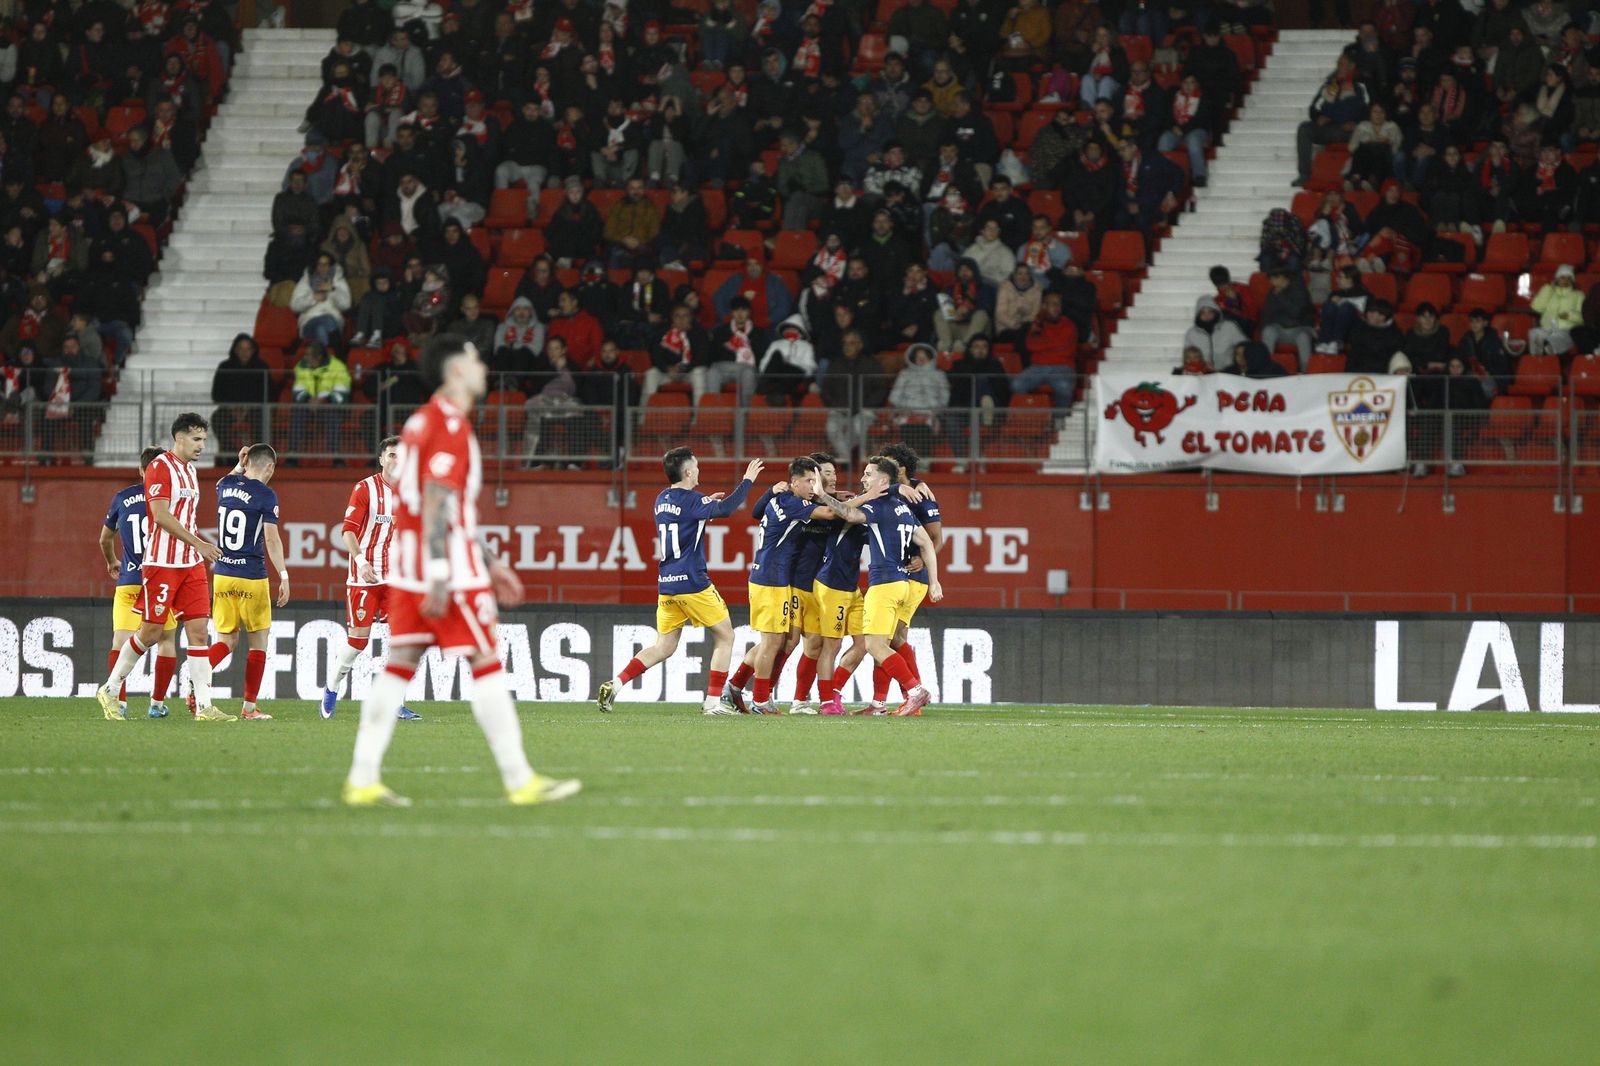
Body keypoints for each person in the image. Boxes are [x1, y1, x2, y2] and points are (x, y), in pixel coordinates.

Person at [343, 334, 581, 807]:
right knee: (487, 663)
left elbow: (441, 507)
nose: (483, 366)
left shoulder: (421, 421)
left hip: (408, 568)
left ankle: (362, 778)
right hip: (447, 570)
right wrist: (442, 571)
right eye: (474, 359)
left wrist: (491, 561)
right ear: (455, 372)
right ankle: (520, 780)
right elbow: (437, 501)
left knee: (397, 668)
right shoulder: (449, 426)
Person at [597, 453, 764, 715]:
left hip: (667, 583)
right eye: (696, 467)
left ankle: (616, 684)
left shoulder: (662, 498)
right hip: (693, 582)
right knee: (725, 636)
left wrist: (707, 503)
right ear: (687, 473)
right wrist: (747, 481)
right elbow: (728, 510)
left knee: (663, 646)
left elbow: (687, 514)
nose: (699, 471)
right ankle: (712, 703)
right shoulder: (693, 501)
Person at [96, 413, 228, 722]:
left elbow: (186, 515)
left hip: (191, 565)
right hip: (162, 563)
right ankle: (111, 688)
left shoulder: (191, 472)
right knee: (151, 633)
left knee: (199, 632)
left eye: (204, 440)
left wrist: (195, 549)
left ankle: (205, 706)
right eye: (197, 439)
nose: (201, 446)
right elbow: (160, 515)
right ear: (179, 438)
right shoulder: (159, 468)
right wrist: (199, 543)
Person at [322, 438, 418, 722]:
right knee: (357, 643)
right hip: (364, 577)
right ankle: (331, 688)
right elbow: (348, 531)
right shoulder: (365, 489)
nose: (396, 461)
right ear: (381, 459)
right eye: (391, 455)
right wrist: (361, 562)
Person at [201, 445, 289, 721]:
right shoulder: (266, 495)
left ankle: (198, 673)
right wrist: (284, 575)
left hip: (223, 575)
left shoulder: (225, 485)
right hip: (251, 576)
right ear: (270, 468)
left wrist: (239, 466)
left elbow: (222, 481)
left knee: (226, 640)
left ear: (246, 461)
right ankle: (249, 709)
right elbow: (272, 540)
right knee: (258, 643)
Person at [855, 455, 942, 717]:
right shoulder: (902, 505)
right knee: (889, 640)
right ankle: (883, 703)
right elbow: (926, 542)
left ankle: (914, 692)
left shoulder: (883, 504)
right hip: (902, 582)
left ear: (885, 478)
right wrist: (934, 581)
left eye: (868, 474)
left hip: (889, 582)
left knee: (879, 644)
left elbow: (844, 512)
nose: (863, 478)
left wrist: (823, 494)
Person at [99, 446, 181, 720]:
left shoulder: (122, 497)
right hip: (160, 580)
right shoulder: (169, 499)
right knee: (167, 639)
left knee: (120, 640)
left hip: (129, 580)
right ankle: (157, 704)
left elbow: (104, 539)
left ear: (140, 470)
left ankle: (117, 704)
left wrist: (112, 561)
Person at [1013, 291, 1078, 414]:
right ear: (1044, 306)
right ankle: (1035, 417)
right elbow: (1030, 345)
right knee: (1017, 384)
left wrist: (1043, 344)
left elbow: (1065, 348)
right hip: (1037, 367)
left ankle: (1059, 420)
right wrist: (1053, 343)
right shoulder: (1038, 323)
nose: (1056, 308)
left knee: (1064, 388)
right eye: (1051, 304)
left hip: (1062, 367)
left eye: (1058, 304)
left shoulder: (1069, 325)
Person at [1260, 269, 1316, 370]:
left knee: (1303, 337)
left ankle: (1306, 372)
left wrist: (1281, 296)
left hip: (1299, 328)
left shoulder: (1300, 290)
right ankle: (1265, 369)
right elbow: (1267, 314)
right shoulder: (1272, 292)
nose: (1272, 282)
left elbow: (1296, 313)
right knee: (1268, 331)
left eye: (1274, 279)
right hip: (1280, 328)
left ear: (1282, 277)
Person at [1530, 265, 1584, 355]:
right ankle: (1537, 359)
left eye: (1569, 278)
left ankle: (1548, 349)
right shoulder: (1549, 291)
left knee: (1561, 337)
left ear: (1572, 280)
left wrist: (1569, 316)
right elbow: (1537, 307)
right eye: (1562, 277)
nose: (1565, 281)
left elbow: (1583, 317)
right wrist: (1547, 290)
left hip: (1567, 329)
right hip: (1547, 328)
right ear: (1557, 279)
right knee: (1534, 333)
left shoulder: (1578, 295)